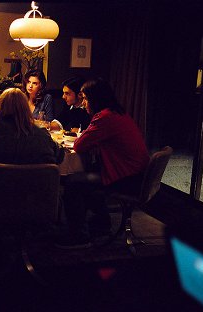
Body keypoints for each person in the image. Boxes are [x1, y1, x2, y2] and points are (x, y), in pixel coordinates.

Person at [55, 78, 150, 249]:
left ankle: (79, 236)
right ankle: (101, 224)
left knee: (73, 182)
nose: (83, 103)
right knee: (88, 173)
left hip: (127, 179)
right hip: (136, 174)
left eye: (85, 98)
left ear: (95, 99)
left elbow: (79, 145)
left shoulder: (104, 118)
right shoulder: (117, 113)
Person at [0, 88, 64, 164]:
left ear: (0, 107)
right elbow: (60, 155)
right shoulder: (40, 132)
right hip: (34, 186)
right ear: (25, 108)